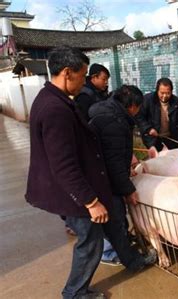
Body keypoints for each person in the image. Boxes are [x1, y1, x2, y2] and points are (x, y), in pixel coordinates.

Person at [25, 46, 111, 299]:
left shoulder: (50, 99)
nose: (85, 81)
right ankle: (75, 293)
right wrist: (91, 202)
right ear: (66, 73)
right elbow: (63, 165)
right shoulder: (55, 109)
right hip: (71, 193)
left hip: (63, 190)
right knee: (90, 243)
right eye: (83, 75)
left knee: (88, 240)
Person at [89, 85, 157, 270]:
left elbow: (115, 155)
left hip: (99, 176)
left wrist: (128, 162)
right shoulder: (116, 122)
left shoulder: (105, 111)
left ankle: (120, 249)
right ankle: (128, 260)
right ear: (132, 106)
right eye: (139, 106)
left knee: (115, 221)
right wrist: (128, 189)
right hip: (105, 180)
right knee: (116, 219)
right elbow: (114, 163)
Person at [135, 77, 178, 152]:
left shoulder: (177, 102)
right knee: (157, 161)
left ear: (171, 91)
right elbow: (139, 116)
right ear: (157, 90)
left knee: (173, 160)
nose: (165, 96)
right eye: (162, 93)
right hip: (153, 139)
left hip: (171, 138)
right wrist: (148, 128)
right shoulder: (147, 100)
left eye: (168, 93)